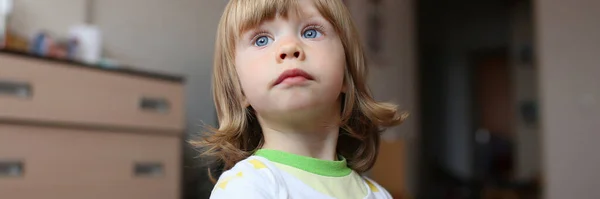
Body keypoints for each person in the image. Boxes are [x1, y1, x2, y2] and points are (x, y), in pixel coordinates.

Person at [195, 0, 408, 198]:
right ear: (238, 90)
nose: (289, 47)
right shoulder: (246, 186)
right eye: (262, 40)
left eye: (311, 32)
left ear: (346, 74)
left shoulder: (378, 194)